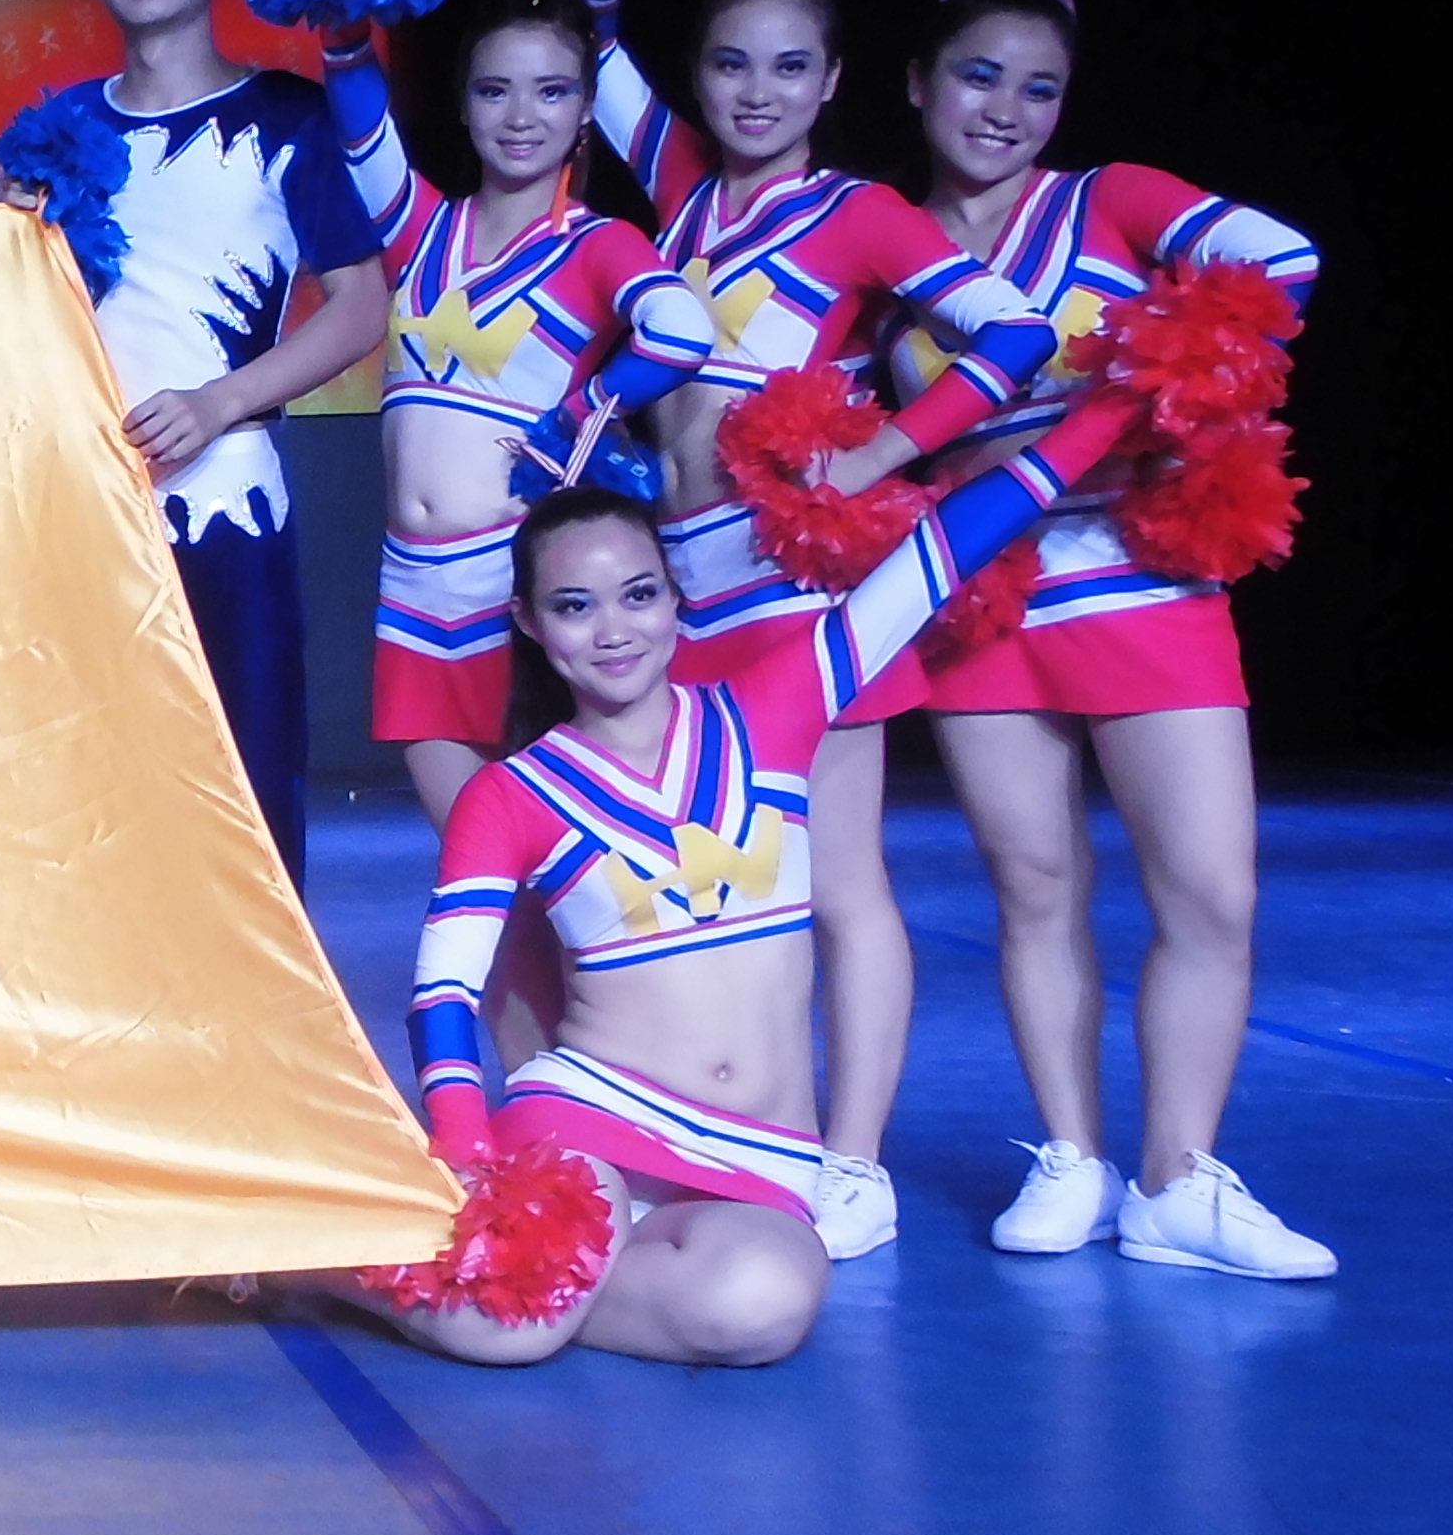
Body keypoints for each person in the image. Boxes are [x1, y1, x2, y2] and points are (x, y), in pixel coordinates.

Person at [366, 384, 1139, 1368]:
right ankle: (318, 1262)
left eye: (638, 594)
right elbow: (442, 991)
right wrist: (467, 1143)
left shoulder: (775, 708)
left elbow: (940, 554)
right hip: (591, 1118)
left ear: (675, 599)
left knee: (760, 1309)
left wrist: (1105, 419)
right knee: (508, 1331)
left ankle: (524, 1287)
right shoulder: (513, 795)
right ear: (528, 622)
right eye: (574, 606)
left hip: (756, 1152)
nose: (613, 629)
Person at [575, 0, 1058, 1256]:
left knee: (839, 883)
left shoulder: (858, 212)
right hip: (688, 597)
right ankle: (743, 1139)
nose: (759, 91)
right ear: (697, 74)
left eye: (791, 66)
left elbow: (1018, 336)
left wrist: (884, 452)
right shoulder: (681, 192)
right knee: (730, 885)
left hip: (803, 592)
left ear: (834, 81)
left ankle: (853, 1165)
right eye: (731, 62)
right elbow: (586, 20)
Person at [891, 0, 1333, 1275]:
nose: (1006, 109)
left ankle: (1178, 1183)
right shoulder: (888, 246)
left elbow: (1286, 263)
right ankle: (1073, 1160)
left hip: (1145, 585)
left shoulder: (1111, 200)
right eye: (979, 75)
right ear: (918, 82)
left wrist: (1143, 398)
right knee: (1035, 888)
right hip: (983, 605)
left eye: (1040, 88)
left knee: (1211, 891)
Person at [10, 0, 391, 886]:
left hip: (229, 500)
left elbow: (361, 306)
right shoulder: (56, 133)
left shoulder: (287, 117)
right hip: (80, 511)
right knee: (95, 796)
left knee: (248, 791)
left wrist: (220, 404)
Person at [315, 0, 716, 823]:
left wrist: (580, 413)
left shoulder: (596, 242)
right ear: (464, 105)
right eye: (495, 90)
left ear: (585, 111)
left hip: (517, 583)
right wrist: (343, 28)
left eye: (552, 90)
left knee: (564, 857)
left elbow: (682, 333)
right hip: (412, 592)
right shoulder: (422, 229)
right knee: (470, 857)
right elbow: (359, 123)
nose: (522, 115)